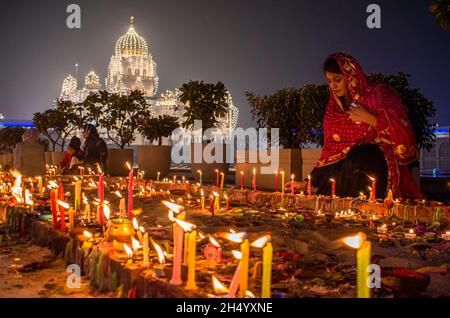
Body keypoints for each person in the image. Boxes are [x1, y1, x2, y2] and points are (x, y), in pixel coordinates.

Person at [286, 52, 422, 199]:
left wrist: (371, 119)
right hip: (345, 170)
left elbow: (405, 135)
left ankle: (366, 211)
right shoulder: (334, 111)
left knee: (360, 154)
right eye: (329, 81)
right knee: (329, 185)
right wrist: (306, 182)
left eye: (337, 80)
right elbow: (331, 154)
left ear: (351, 76)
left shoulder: (378, 95)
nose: (333, 86)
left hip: (373, 163)